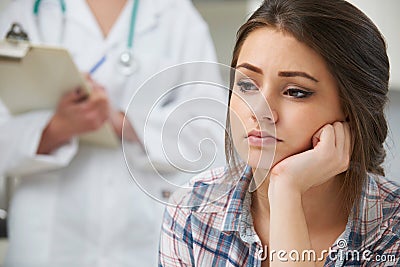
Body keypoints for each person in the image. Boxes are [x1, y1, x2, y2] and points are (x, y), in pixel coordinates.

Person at [159, 0, 400, 266]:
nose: (261, 111)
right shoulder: (193, 211)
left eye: (295, 92)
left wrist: (286, 189)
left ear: (350, 110)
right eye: (247, 85)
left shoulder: (392, 229)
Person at [0, 0, 227, 266]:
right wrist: (58, 128)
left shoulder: (176, 15)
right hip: (48, 236)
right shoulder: (28, 11)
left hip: (142, 234)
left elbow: (210, 133)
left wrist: (121, 121)